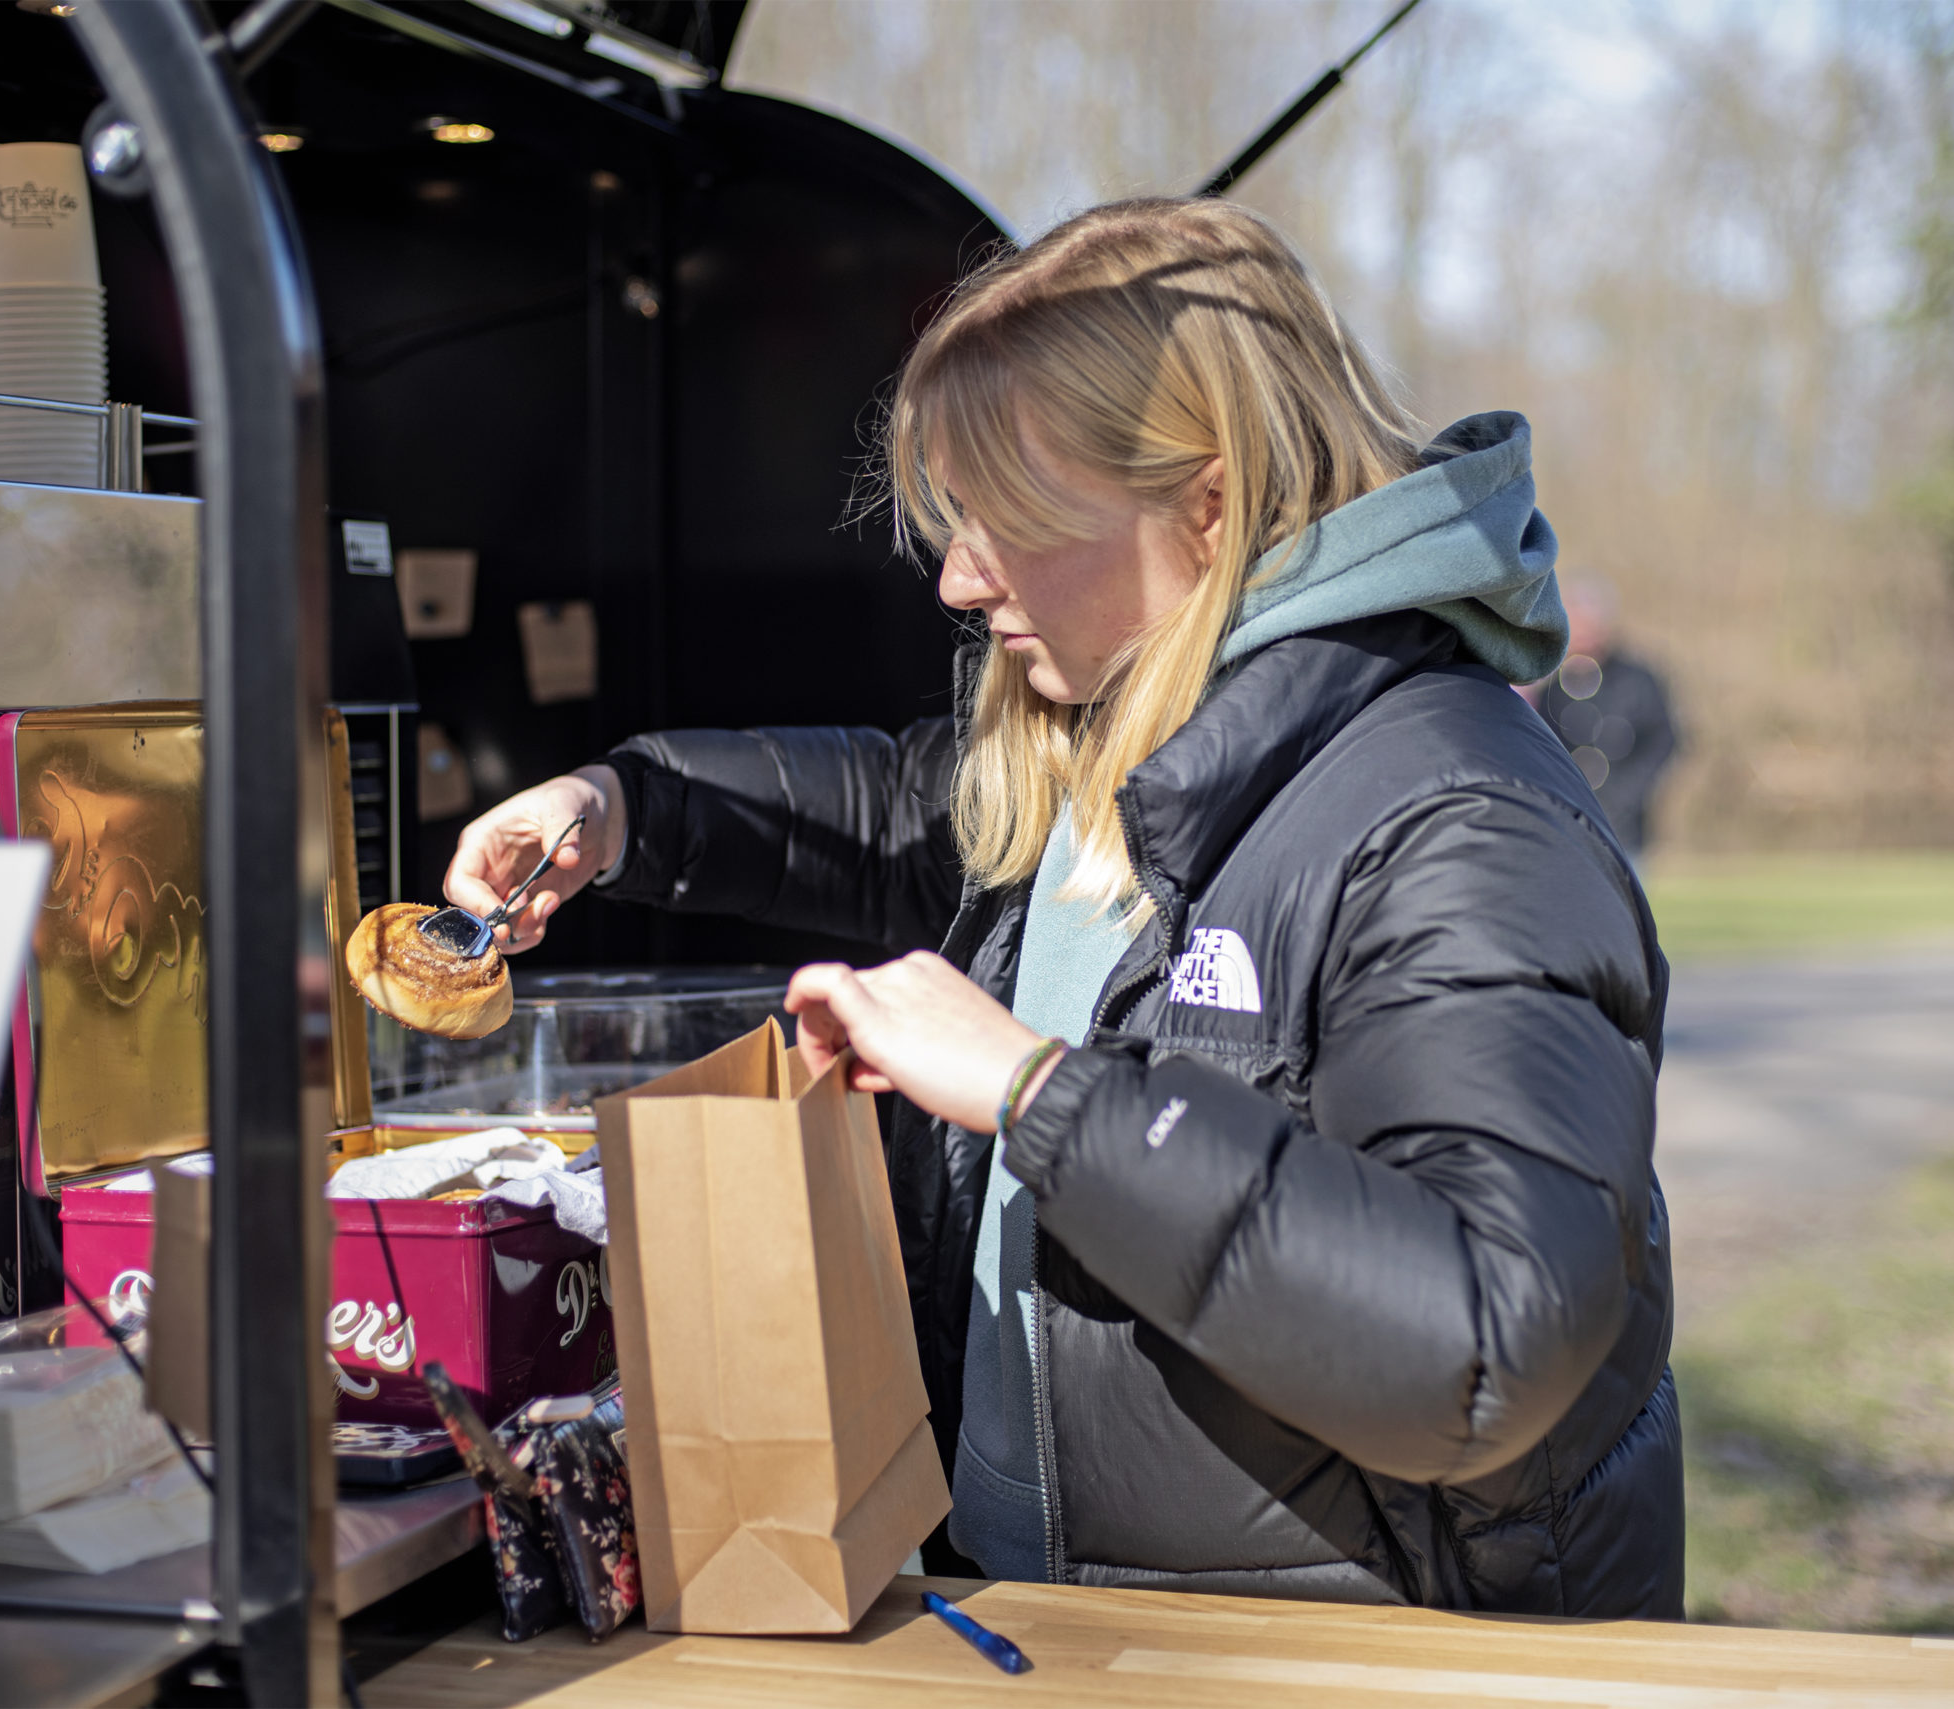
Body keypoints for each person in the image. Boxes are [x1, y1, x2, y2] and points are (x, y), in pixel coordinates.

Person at [448, 199, 1681, 1617]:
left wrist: (1038, 1090)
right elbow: (908, 808)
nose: (964, 580)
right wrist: (622, 811)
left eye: (1008, 521)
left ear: (1206, 505)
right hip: (1054, 1616)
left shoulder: (1457, 814)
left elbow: (1486, 1337)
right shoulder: (1133, 738)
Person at [1527, 576, 1681, 856]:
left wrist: (1626, 795)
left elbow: (1663, 740)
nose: (1582, 634)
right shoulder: (1546, 685)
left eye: (1588, 624)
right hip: (1562, 823)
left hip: (1625, 827)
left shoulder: (1637, 681)